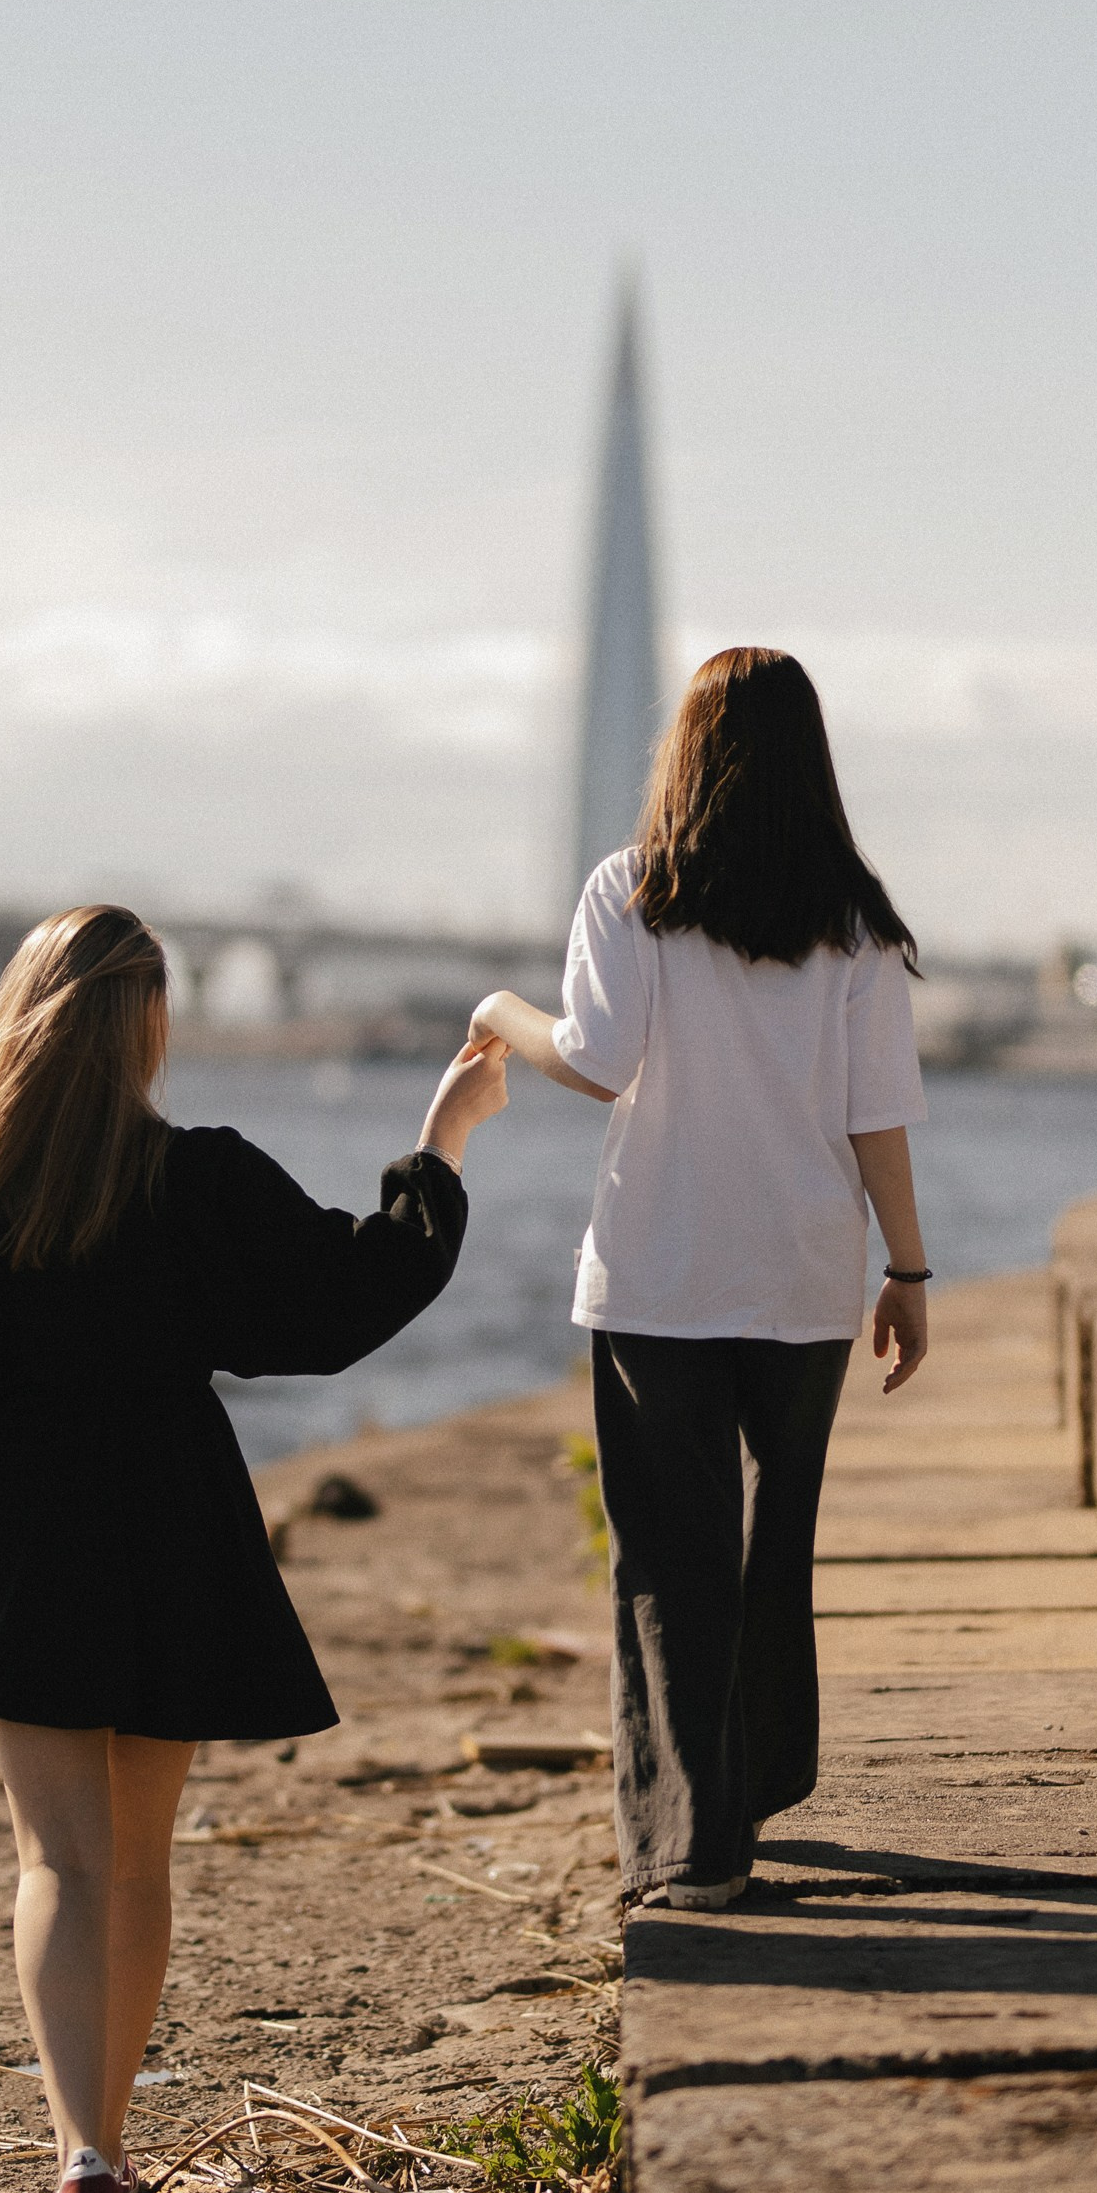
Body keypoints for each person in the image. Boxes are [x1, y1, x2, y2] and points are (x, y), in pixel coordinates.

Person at [0, 905, 507, 2193]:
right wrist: (440, 1144)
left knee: (56, 1860)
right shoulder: (201, 1178)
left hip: (24, 1539)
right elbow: (342, 1299)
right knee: (136, 1863)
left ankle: (82, 2152)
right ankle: (110, 2147)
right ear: (148, 1025)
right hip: (172, 1522)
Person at [470, 646, 927, 1913]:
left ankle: (693, 1847)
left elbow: (598, 1060)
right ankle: (758, 1783)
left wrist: (502, 1011)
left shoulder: (631, 892)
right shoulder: (857, 924)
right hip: (802, 1278)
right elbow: (876, 1115)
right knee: (773, 1546)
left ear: (687, 754)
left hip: (660, 1278)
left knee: (671, 1557)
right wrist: (909, 1269)